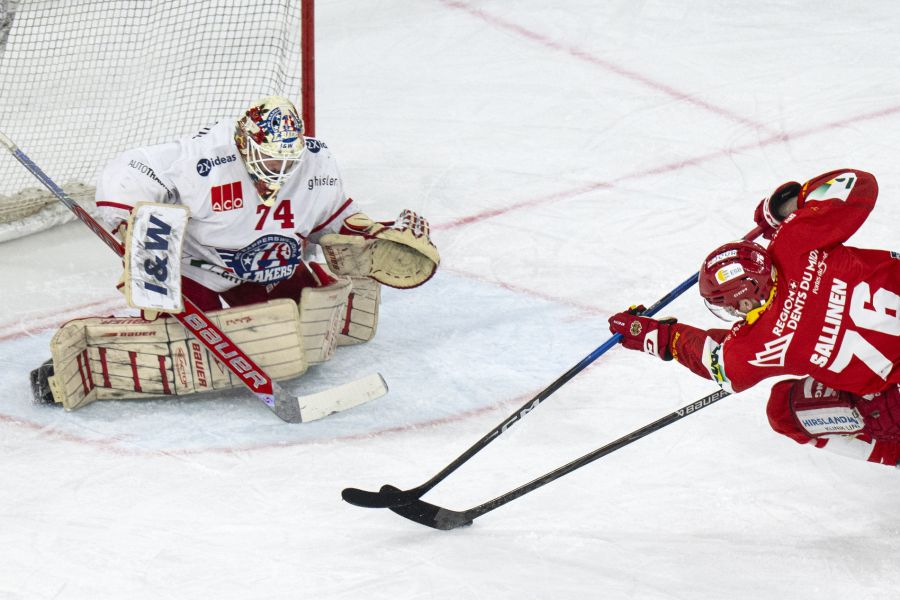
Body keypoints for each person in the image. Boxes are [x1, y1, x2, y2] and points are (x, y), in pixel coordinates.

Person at [30, 96, 439, 411]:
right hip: (200, 270)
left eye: (286, 160)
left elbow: (330, 218)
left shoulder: (315, 161)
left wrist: (363, 231)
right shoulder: (204, 159)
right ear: (245, 144)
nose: (278, 171)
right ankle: (82, 368)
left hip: (272, 270)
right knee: (181, 343)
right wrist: (130, 229)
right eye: (268, 158)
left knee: (302, 324)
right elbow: (132, 170)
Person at [608, 168, 900, 467]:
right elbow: (858, 184)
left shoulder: (755, 345)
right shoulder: (794, 241)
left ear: (746, 300)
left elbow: (720, 364)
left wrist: (656, 336)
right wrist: (787, 208)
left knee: (784, 410)